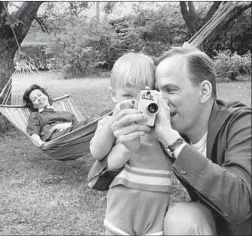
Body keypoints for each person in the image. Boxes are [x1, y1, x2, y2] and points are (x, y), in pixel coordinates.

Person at [88, 45, 251, 235]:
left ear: (204, 91)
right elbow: (97, 178)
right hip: (217, 221)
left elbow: (241, 205)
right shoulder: (170, 127)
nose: (160, 102)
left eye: (170, 90)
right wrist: (126, 146)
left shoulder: (242, 124)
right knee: (181, 218)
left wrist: (172, 141)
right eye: (156, 92)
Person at [89, 52, 172, 235]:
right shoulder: (112, 122)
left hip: (156, 204)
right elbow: (97, 152)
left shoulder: (161, 124)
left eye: (144, 94)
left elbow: (175, 151)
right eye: (127, 94)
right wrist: (112, 124)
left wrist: (162, 123)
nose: (135, 102)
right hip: (123, 202)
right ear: (113, 95)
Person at [23, 84, 91, 146]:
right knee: (93, 122)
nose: (39, 99)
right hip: (56, 139)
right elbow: (33, 134)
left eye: (40, 95)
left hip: (75, 135)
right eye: (35, 99)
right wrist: (41, 143)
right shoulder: (36, 116)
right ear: (33, 105)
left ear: (45, 95)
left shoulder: (67, 114)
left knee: (94, 121)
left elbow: (79, 127)